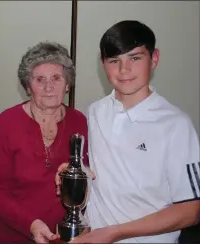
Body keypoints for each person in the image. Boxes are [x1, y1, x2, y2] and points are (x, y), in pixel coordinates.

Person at [56, 20, 200, 243]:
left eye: (135, 58)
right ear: (103, 64)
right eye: (114, 60)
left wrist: (114, 232)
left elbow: (191, 210)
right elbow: (101, 173)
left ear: (154, 59)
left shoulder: (176, 124)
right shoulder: (95, 112)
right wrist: (74, 172)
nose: (124, 70)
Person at [0, 42, 89, 243]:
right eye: (40, 79)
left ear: (67, 85)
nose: (49, 87)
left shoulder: (79, 121)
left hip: (61, 236)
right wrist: (30, 224)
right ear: (28, 87)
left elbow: (85, 176)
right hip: (9, 234)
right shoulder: (7, 122)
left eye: (56, 78)